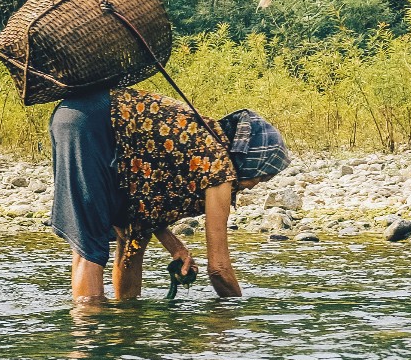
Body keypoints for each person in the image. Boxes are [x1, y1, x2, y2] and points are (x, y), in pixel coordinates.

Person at [48, 87, 288, 307]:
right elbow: (219, 269)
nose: (256, 184)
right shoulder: (220, 168)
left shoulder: (202, 149)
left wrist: (176, 248)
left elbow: (145, 215)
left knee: (132, 239)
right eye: (262, 175)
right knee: (90, 247)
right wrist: (237, 311)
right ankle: (88, 341)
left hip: (83, 119)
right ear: (254, 158)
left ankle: (126, 322)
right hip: (92, 123)